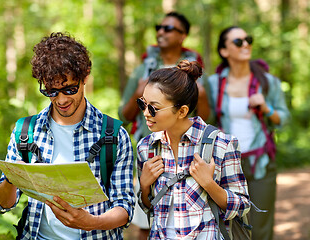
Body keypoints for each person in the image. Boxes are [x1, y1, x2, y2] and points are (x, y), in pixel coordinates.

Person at [0, 32, 135, 240]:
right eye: (51, 91)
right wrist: (12, 179)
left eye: (69, 89)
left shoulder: (114, 135)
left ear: (85, 77)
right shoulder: (26, 132)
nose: (60, 100)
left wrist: (90, 223)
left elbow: (125, 207)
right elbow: (2, 204)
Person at [118, 12, 210, 239]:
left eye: (169, 28)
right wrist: (138, 96)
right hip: (152, 153)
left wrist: (204, 98)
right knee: (145, 223)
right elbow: (124, 116)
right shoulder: (143, 69)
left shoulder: (194, 71)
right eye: (159, 27)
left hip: (189, 153)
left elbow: (208, 118)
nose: (161, 32)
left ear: (183, 36)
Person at [136, 60, 251, 239]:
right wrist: (144, 185)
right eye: (143, 103)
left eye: (154, 108)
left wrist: (209, 184)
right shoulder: (146, 147)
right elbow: (148, 208)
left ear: (182, 111)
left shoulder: (220, 144)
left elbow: (242, 206)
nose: (146, 113)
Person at [207, 26, 290, 240]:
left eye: (248, 39)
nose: (246, 44)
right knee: (231, 225)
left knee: (261, 224)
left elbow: (284, 118)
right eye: (238, 41)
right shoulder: (214, 84)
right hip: (226, 163)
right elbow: (207, 120)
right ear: (224, 51)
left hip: (260, 162)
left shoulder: (268, 82)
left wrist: (266, 109)